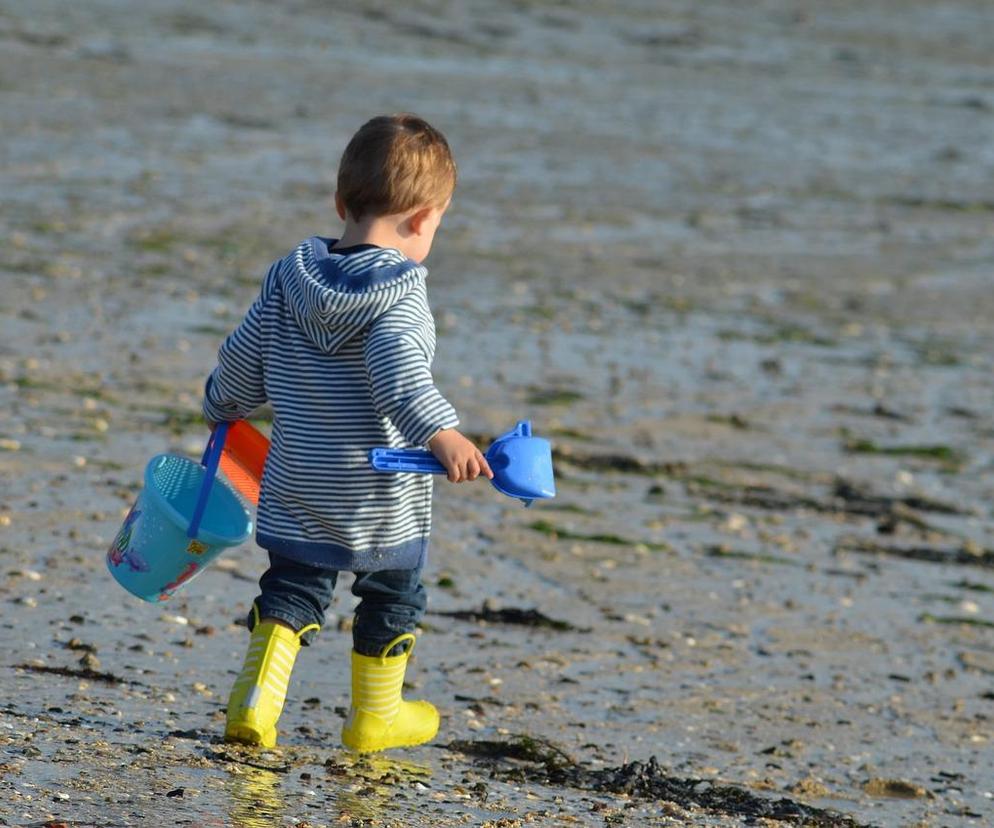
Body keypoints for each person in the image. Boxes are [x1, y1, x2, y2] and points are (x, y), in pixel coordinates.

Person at [202, 113, 492, 753]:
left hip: (298, 479)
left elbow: (245, 361)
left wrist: (222, 404)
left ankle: (255, 701)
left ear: (341, 203)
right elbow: (400, 377)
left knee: (293, 586)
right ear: (422, 219)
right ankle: (375, 717)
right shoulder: (400, 294)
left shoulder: (288, 279)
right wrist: (441, 432)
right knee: (393, 590)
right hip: (378, 490)